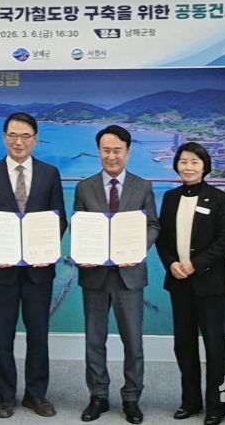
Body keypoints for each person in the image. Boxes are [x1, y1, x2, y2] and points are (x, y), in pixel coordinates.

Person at [0, 112, 67, 419]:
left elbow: (59, 219)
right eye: (13, 135)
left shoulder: (50, 174)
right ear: (4, 137)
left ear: (35, 139)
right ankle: (5, 396)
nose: (19, 141)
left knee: (38, 334)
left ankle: (36, 395)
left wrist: (47, 249)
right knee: (3, 335)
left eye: (25, 136)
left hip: (39, 270)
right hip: (2, 270)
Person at [74, 125, 159, 425]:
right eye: (106, 150)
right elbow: (78, 226)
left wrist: (136, 249)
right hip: (95, 275)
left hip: (129, 274)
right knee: (94, 340)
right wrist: (82, 253)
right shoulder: (84, 187)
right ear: (99, 152)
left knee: (133, 341)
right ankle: (98, 396)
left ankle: (131, 397)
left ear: (128, 152)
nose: (111, 156)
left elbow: (153, 225)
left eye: (117, 150)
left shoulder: (143, 186)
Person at [156, 142, 225, 425]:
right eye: (183, 161)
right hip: (179, 281)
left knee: (215, 346)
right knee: (184, 344)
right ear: (177, 165)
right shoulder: (170, 197)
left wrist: (196, 264)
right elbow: (162, 238)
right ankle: (190, 401)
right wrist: (171, 264)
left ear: (205, 166)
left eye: (194, 162)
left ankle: (217, 406)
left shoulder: (219, 198)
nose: (188, 167)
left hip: (210, 282)